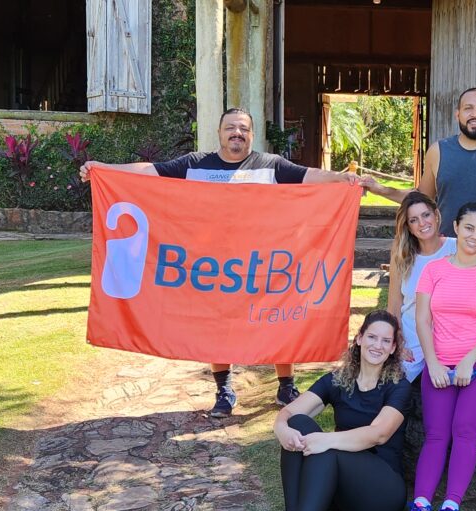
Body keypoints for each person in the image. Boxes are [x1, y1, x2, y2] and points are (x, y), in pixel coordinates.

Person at [80, 108, 358, 418]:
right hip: (212, 266)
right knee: (216, 327)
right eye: (230, 128)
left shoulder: (270, 166)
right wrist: (104, 169)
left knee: (279, 318)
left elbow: (309, 176)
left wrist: (342, 178)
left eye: (243, 128)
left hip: (262, 263)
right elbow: (151, 171)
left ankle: (285, 385)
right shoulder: (196, 164)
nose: (236, 133)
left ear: (252, 135)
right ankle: (224, 389)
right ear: (220, 133)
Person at [252, 310, 410, 511]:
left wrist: (326, 440)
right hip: (340, 490)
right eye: (372, 337)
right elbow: (290, 413)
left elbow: (379, 434)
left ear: (393, 348)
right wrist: (281, 429)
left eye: (386, 341)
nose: (377, 345)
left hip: (382, 492)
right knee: (299, 424)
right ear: (359, 339)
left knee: (328, 447)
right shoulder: (337, 380)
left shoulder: (398, 386)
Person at [401, 202, 476, 511]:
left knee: (464, 428)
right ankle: (421, 506)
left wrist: (469, 360)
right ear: (456, 227)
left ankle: (450, 508)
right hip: (439, 362)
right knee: (436, 433)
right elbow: (422, 319)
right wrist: (432, 362)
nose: (474, 237)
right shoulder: (434, 270)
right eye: (468, 228)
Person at [363, 87, 476, 256]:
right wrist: (380, 189)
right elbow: (419, 199)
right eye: (468, 108)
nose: (475, 114)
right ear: (458, 114)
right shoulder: (438, 152)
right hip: (446, 256)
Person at [387, 191, 456, 382]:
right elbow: (393, 306)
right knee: (393, 390)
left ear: (436, 215)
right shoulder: (402, 257)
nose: (422, 223)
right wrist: (397, 343)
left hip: (449, 340)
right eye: (414, 220)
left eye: (426, 215)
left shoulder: (457, 248)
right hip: (412, 339)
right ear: (408, 227)